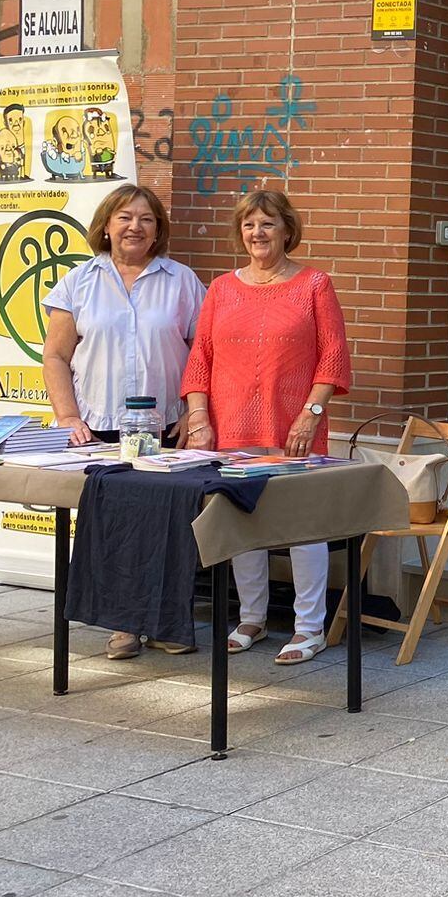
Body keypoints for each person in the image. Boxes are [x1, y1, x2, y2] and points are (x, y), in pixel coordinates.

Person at [181, 188, 352, 664]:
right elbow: (201, 360)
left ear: (287, 231)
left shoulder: (314, 284)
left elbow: (333, 358)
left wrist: (311, 414)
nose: (257, 233)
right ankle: (252, 617)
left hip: (296, 427)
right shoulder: (220, 289)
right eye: (250, 224)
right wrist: (199, 418)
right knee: (243, 520)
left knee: (302, 525)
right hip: (230, 425)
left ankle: (308, 628)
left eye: (268, 224)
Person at [41, 184, 206, 659]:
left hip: (166, 425)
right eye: (125, 218)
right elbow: (55, 356)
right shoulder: (79, 282)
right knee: (113, 525)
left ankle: (167, 624)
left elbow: (203, 354)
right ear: (107, 226)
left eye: (147, 220)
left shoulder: (182, 281)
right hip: (100, 426)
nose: (135, 227)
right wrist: (68, 415)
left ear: (158, 231)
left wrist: (195, 412)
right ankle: (123, 626)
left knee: (170, 526)